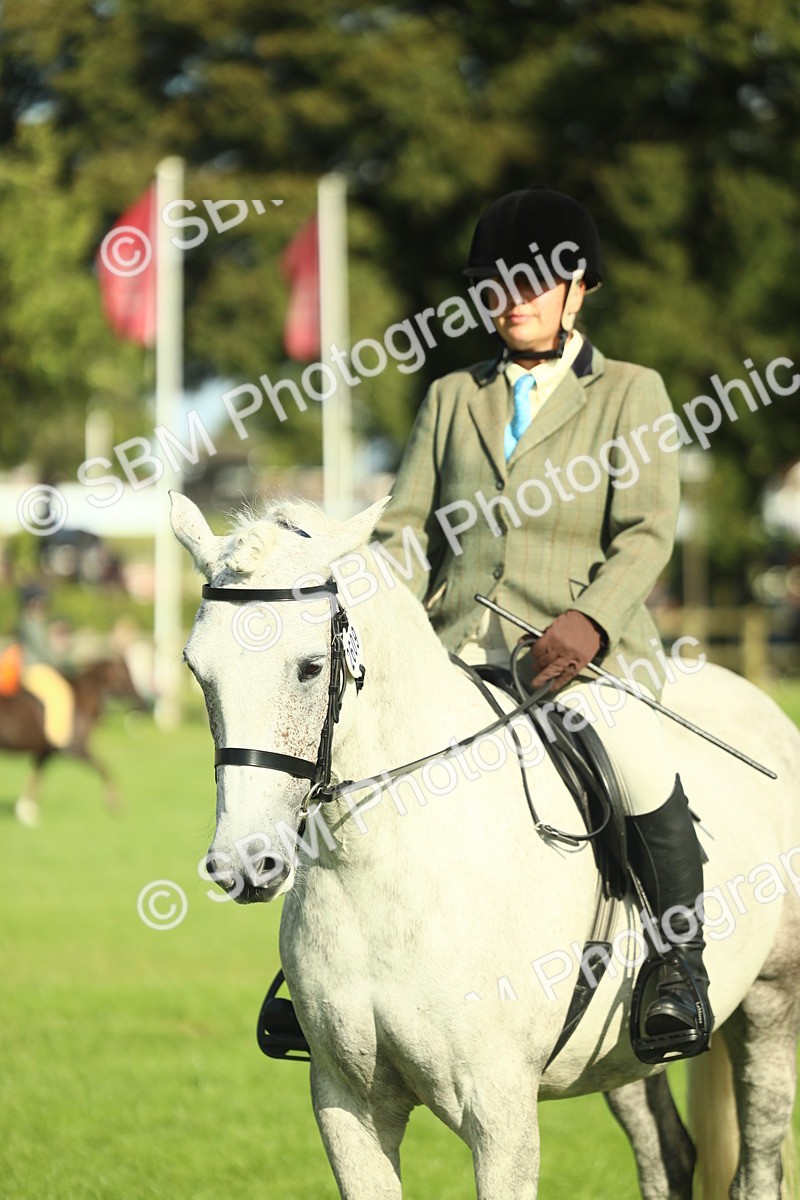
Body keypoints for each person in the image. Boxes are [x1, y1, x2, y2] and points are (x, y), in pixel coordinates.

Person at [374, 185, 712, 1056]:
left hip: (583, 660)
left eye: (533, 284)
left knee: (638, 765)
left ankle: (679, 969)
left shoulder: (632, 393)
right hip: (455, 652)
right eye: (498, 284)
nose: (513, 300)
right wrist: (394, 615)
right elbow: (404, 526)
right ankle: (317, 978)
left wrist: (590, 621)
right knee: (352, 770)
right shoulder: (453, 396)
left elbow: (646, 531)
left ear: (579, 291)